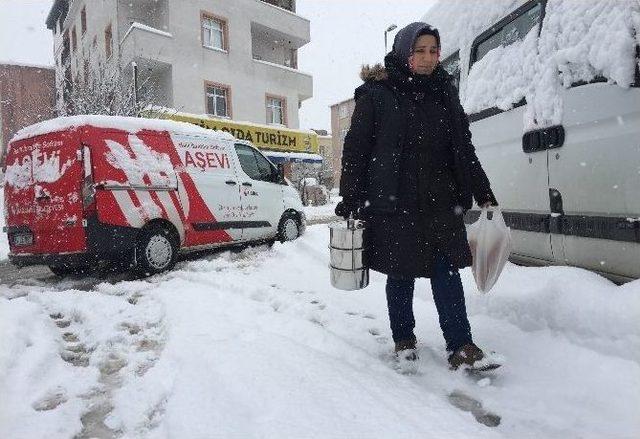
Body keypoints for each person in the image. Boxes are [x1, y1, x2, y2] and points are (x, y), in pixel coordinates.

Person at [336, 22, 499, 370]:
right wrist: (350, 198)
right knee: (402, 273)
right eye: (420, 51)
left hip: (441, 201)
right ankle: (403, 338)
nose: (428, 59)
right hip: (395, 203)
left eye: (433, 51)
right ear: (404, 53)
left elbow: (463, 147)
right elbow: (356, 151)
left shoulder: (445, 92)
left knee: (447, 271)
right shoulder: (377, 94)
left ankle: (461, 346)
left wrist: (483, 191)